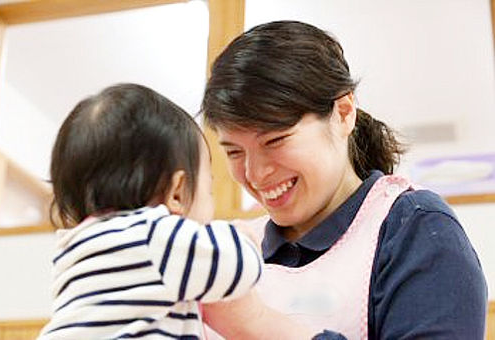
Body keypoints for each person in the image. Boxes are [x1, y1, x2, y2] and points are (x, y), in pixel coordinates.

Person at [201, 21, 488, 339]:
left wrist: (251, 321)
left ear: (343, 112)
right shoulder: (237, 250)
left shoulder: (413, 228)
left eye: (275, 141)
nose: (255, 174)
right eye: (234, 152)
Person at [37, 83, 264, 339]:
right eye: (209, 188)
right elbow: (240, 267)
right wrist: (243, 237)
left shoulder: (70, 251)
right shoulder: (156, 236)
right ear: (177, 192)